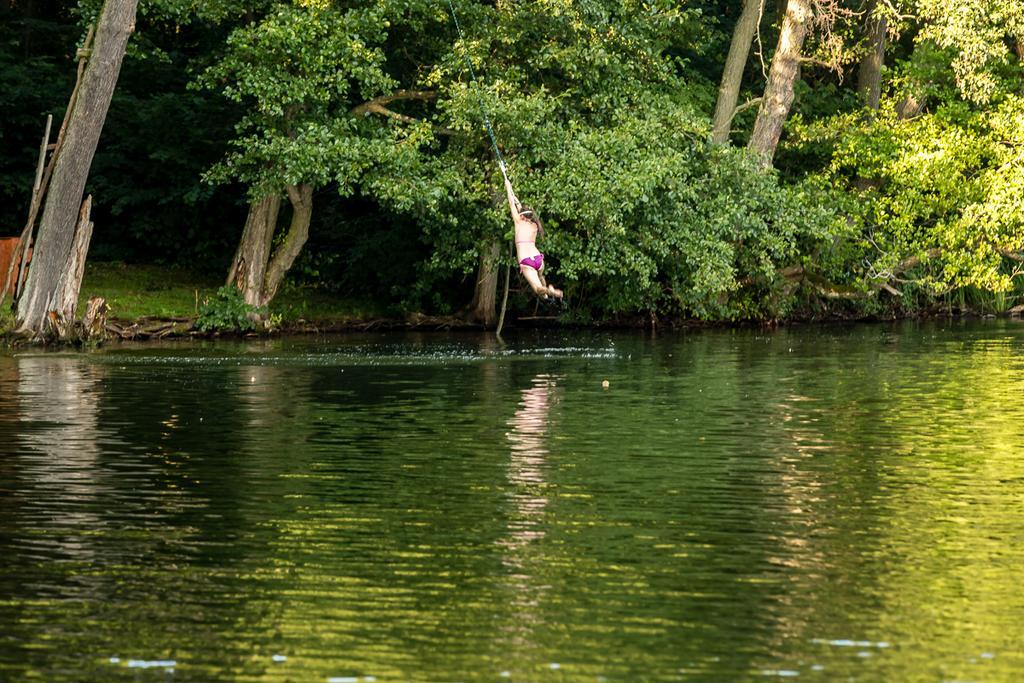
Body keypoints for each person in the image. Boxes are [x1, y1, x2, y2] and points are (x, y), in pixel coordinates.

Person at [504, 175, 563, 300]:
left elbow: (511, 204)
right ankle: (546, 291)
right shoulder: (535, 225)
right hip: (538, 259)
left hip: (527, 262)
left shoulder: (518, 221)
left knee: (537, 289)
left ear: (522, 216)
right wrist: (516, 198)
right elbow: (520, 208)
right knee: (540, 275)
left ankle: (549, 291)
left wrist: (507, 186)